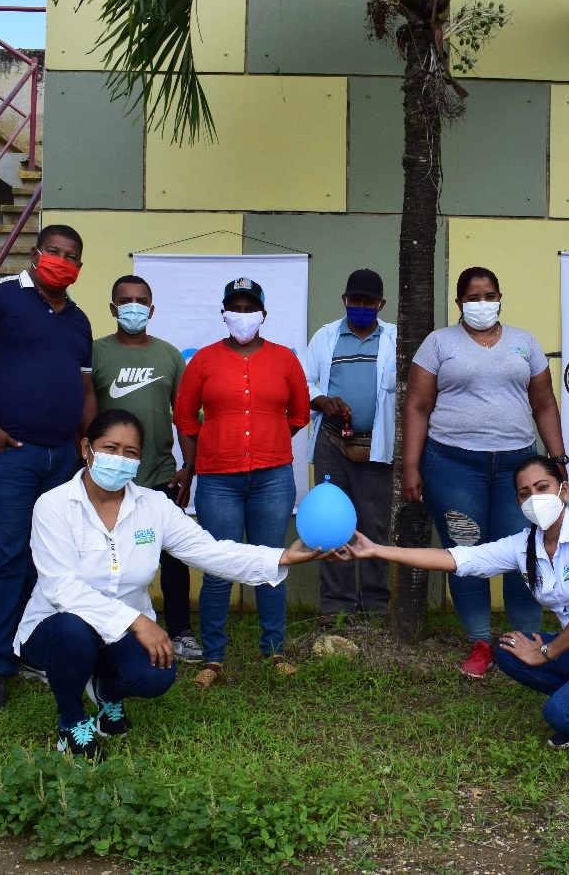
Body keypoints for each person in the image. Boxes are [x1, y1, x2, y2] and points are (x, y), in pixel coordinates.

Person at [18, 409, 327, 759]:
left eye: (130, 453)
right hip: (55, 628)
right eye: (110, 448)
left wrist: (282, 556)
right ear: (86, 448)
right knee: (72, 632)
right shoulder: (54, 505)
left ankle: (107, 691)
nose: (119, 459)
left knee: (156, 676)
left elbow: (210, 552)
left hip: (120, 633)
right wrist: (138, 622)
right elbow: (62, 589)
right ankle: (72, 723)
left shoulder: (155, 506)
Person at [339, 456, 569, 755]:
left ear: (564, 490)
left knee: (561, 714)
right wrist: (379, 550)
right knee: (508, 650)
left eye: (542, 486)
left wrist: (544, 654)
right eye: (525, 493)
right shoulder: (524, 544)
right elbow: (459, 558)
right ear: (518, 501)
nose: (534, 498)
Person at [404, 267, 567, 678]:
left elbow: (545, 404)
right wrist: (410, 465)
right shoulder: (438, 343)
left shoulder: (524, 342)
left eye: (489, 295)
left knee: (524, 551)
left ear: (500, 297)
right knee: (466, 552)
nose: (482, 303)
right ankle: (479, 642)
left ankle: (523, 643)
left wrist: (559, 460)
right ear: (459, 302)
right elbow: (418, 407)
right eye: (473, 297)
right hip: (454, 464)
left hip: (519, 467)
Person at [0, 224, 97, 710]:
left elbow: (83, 391)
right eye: (54, 251)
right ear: (37, 254)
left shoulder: (79, 321)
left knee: (50, 559)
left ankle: (32, 647)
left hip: (62, 456)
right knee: (1, 556)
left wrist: (91, 442)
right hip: (7, 453)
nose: (62, 260)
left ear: (80, 267)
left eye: (72, 256)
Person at [173, 276, 310, 687]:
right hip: (217, 480)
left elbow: (299, 413)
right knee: (218, 567)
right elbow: (185, 417)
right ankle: (213, 657)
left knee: (271, 562)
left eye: (251, 307)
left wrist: (269, 439)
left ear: (264, 314)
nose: (244, 314)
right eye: (237, 307)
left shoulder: (285, 359)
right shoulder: (204, 361)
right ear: (224, 313)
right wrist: (197, 461)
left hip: (272, 478)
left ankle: (275, 650)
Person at [91, 275, 198, 661]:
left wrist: (190, 466)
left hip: (160, 474)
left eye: (140, 301)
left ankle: (181, 631)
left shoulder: (169, 355)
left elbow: (185, 416)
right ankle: (105, 629)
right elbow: (84, 410)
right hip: (107, 478)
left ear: (151, 310)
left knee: (172, 558)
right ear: (113, 307)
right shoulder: (95, 353)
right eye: (125, 300)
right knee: (105, 555)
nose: (133, 307)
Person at [301, 268, 397, 616]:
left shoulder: (395, 339)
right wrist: (323, 401)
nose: (360, 306)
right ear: (344, 300)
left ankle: (376, 605)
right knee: (332, 523)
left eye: (368, 301)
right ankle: (337, 607)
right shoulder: (326, 337)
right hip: (331, 442)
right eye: (354, 300)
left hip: (377, 445)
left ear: (381, 304)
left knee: (374, 525)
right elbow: (304, 382)